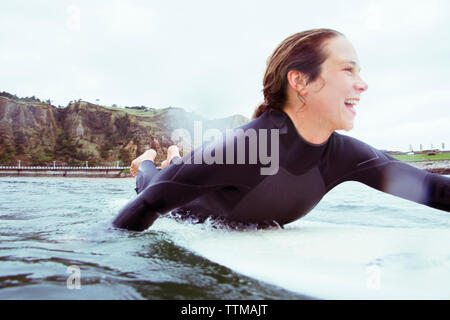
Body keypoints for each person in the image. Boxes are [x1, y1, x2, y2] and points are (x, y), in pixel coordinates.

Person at [113, 28, 449, 231]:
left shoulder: (346, 155)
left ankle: (173, 157)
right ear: (300, 80)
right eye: (348, 70)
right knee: (150, 179)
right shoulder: (246, 148)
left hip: (197, 174)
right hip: (172, 197)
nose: (363, 85)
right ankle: (149, 159)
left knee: (175, 168)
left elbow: (434, 190)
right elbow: (146, 206)